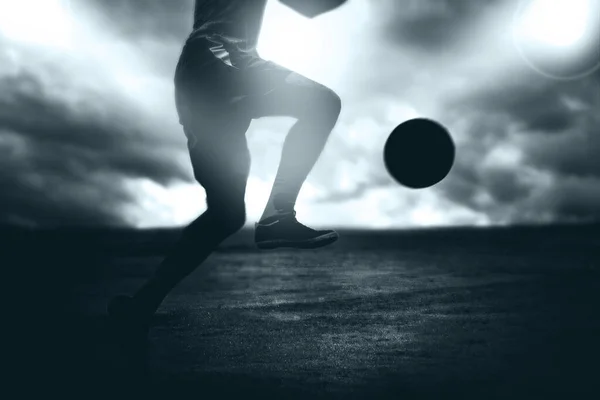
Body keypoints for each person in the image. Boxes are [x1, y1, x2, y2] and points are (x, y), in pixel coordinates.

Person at [107, 0, 342, 342]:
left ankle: (142, 306)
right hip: (222, 57)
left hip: (197, 76)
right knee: (322, 104)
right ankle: (279, 215)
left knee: (226, 214)